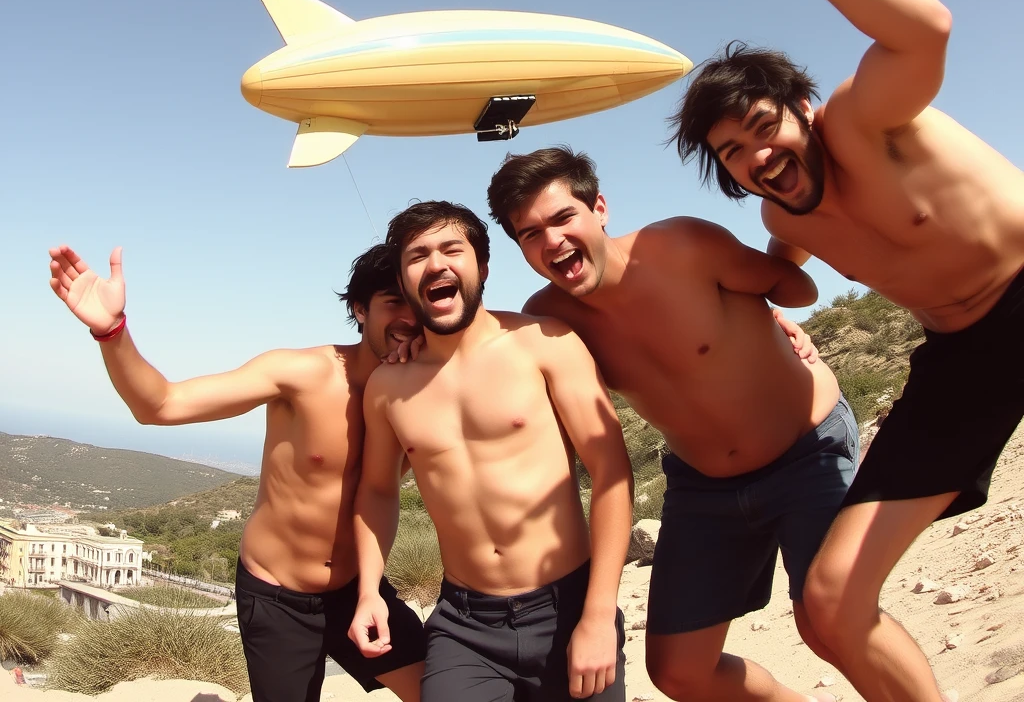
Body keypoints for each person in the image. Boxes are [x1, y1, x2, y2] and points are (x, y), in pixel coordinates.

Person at [672, 0, 1024, 702]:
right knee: (828, 607)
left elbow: (926, 29)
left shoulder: (867, 122)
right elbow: (782, 267)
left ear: (802, 108)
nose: (759, 157)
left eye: (765, 128)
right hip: (961, 362)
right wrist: (771, 312)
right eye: (733, 153)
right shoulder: (780, 218)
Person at [486, 147, 854, 702]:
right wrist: (400, 343)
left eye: (563, 217)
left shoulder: (680, 244)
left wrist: (772, 316)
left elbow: (795, 288)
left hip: (806, 447)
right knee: (679, 672)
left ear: (599, 208)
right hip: (704, 484)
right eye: (530, 233)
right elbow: (473, 352)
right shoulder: (551, 320)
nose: (553, 240)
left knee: (832, 621)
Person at [48, 242, 427, 702]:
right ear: (359, 309)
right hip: (276, 595)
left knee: (438, 691)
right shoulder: (301, 373)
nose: (409, 316)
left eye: (418, 301)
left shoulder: (425, 394)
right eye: (394, 301)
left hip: (358, 586)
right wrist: (111, 331)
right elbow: (160, 405)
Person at [347, 201, 633, 702]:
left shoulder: (545, 343)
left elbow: (611, 471)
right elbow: (377, 491)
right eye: (417, 256)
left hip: (567, 605)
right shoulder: (388, 387)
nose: (436, 264)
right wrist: (370, 590)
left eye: (452, 249)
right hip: (464, 623)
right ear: (403, 277)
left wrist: (598, 615)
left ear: (481, 265)